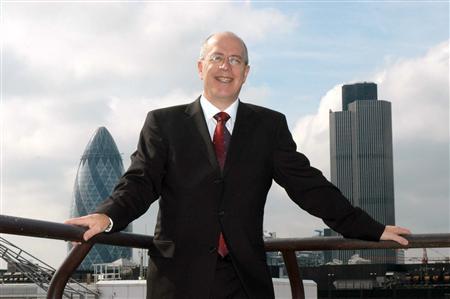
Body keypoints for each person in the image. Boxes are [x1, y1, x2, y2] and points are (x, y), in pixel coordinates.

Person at [65, 31, 410, 299]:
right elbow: (140, 182)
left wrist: (372, 228)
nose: (225, 66)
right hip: (178, 280)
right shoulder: (163, 123)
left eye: (235, 60)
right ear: (200, 67)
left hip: (244, 281)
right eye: (217, 57)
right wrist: (107, 215)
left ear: (246, 72)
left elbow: (309, 186)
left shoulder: (268, 126)